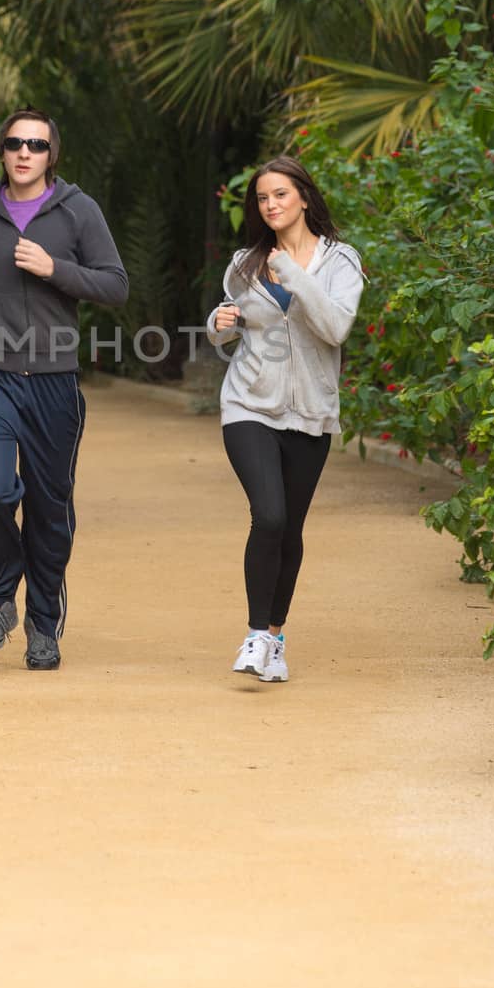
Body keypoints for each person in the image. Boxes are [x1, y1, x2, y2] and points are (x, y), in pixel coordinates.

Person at [0, 108, 128, 670]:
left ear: (51, 155)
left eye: (36, 145)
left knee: (49, 508)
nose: (24, 153)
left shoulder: (78, 211)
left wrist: (54, 268)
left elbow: (115, 285)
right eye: (15, 143)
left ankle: (44, 626)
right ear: (1, 150)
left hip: (53, 381)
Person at [206, 156, 364, 683]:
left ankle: (275, 637)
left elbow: (335, 327)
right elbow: (225, 322)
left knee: (290, 527)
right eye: (262, 198)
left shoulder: (341, 262)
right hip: (249, 404)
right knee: (268, 515)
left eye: (279, 195)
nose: (270, 205)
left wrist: (294, 275)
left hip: (312, 412)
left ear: (303, 197)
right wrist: (219, 322)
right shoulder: (245, 262)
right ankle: (254, 635)